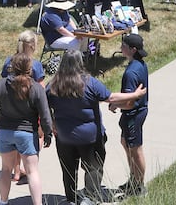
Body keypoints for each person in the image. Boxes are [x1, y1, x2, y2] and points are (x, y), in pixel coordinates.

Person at [47, 50, 146, 204]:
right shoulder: (89, 82)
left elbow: (43, 105)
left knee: (68, 170)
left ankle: (71, 199)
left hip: (64, 137)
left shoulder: (53, 84)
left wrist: (52, 122)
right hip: (90, 138)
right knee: (93, 168)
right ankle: (90, 198)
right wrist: (134, 95)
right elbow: (111, 97)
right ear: (81, 63)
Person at [0, 53, 53, 205]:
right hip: (27, 134)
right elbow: (45, 115)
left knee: (5, 169)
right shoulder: (36, 88)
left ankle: (3, 201)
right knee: (32, 172)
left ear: (12, 67)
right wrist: (47, 133)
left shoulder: (1, 85)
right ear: (30, 69)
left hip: (5, 132)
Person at [0, 30, 46, 184]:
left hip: (10, 109)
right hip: (30, 109)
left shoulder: (8, 62)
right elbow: (41, 87)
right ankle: (31, 168)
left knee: (14, 142)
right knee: (37, 137)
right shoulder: (36, 65)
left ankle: (17, 171)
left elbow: (3, 83)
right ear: (32, 45)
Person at [110, 34, 149, 198]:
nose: (121, 48)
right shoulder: (140, 64)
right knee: (125, 142)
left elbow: (130, 102)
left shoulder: (131, 73)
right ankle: (133, 179)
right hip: (135, 113)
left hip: (133, 114)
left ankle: (139, 186)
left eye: (123, 45)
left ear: (133, 50)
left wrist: (114, 104)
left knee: (135, 149)